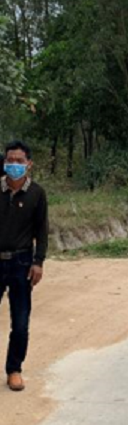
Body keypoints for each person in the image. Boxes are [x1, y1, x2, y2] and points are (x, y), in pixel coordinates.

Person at [0, 140, 48, 392]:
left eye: (19, 161)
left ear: (29, 164)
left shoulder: (37, 194)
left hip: (22, 263)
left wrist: (38, 261)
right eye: (10, 160)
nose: (14, 165)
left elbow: (42, 230)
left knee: (20, 322)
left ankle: (14, 370)